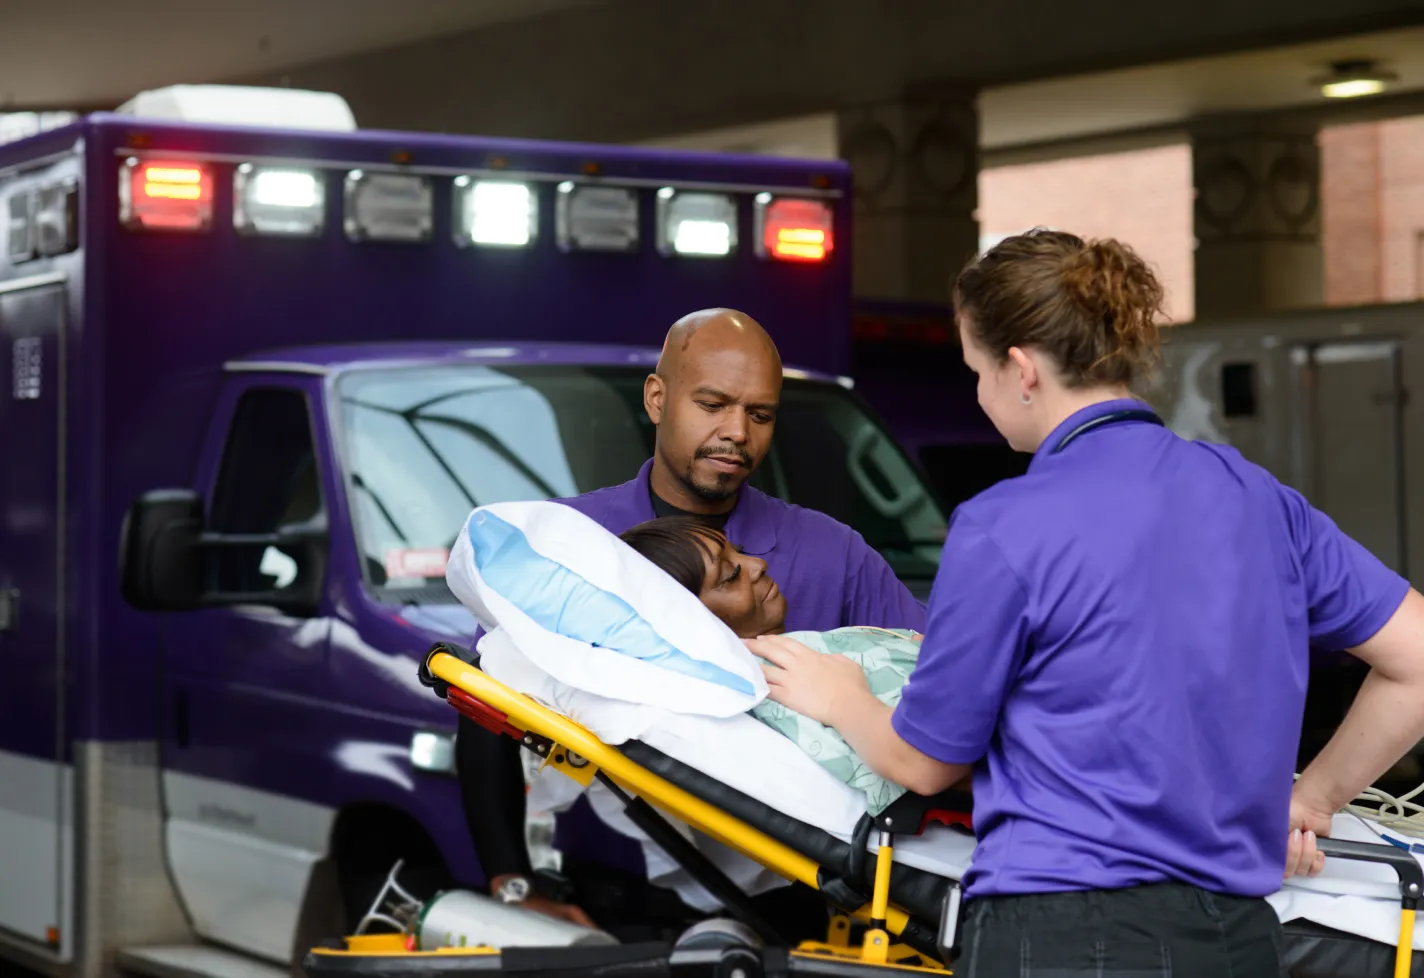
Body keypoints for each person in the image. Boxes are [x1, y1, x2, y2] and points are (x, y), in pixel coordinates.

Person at [742, 228, 1424, 976]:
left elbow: (926, 761)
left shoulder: (1006, 525)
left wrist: (839, 694)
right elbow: (1416, 660)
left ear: (1023, 370)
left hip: (1065, 933)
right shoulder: (1258, 500)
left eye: (977, 371)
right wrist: (1314, 800)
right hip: (1241, 938)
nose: (978, 395)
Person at [453, 307, 928, 940]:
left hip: (804, 907)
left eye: (760, 415)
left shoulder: (831, 553)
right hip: (614, 902)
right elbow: (486, 704)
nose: (736, 432)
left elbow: (935, 681)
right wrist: (510, 884)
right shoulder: (576, 543)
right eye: (712, 404)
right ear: (657, 398)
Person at [618, 514, 930, 815]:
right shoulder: (775, 694)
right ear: (689, 623)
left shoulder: (810, 654)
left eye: (740, 553)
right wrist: (846, 702)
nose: (757, 565)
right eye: (730, 575)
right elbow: (926, 762)